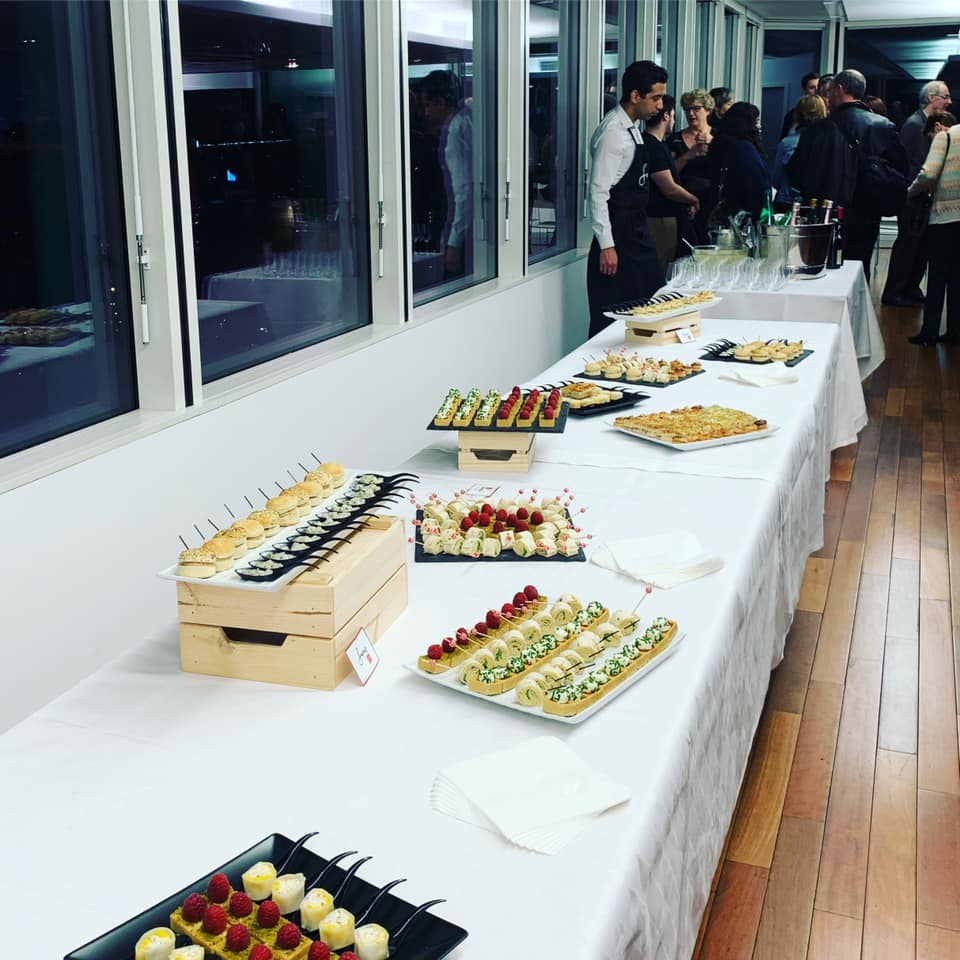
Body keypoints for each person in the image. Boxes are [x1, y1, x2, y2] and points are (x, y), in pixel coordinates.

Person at [787, 68, 908, 280]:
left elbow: (795, 173)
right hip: (867, 213)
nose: (827, 97)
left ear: (840, 89)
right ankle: (858, 301)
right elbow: (901, 171)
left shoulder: (817, 130)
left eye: (830, 91)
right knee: (859, 269)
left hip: (823, 214)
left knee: (822, 271)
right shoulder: (882, 126)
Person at [586, 60, 667, 338]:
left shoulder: (633, 128)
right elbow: (598, 193)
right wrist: (607, 246)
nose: (660, 105)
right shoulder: (612, 133)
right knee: (612, 322)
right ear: (635, 96)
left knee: (651, 310)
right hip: (618, 241)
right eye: (655, 98)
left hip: (637, 234)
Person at [882, 80, 952, 307]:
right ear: (931, 98)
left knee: (920, 247)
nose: (949, 102)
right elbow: (908, 164)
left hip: (921, 196)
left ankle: (911, 288)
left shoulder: (926, 123)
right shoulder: (914, 124)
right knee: (908, 246)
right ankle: (894, 292)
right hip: (912, 196)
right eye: (945, 97)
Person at [905, 120, 960, 345]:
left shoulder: (945, 136)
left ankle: (929, 333)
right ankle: (955, 331)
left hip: (944, 216)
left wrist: (910, 191)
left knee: (937, 276)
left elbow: (928, 174)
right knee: (957, 277)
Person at [419, 70, 473, 278]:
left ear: (440, 102)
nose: (425, 113)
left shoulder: (456, 130)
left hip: (464, 231)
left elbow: (464, 191)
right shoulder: (468, 117)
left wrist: (454, 243)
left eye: (427, 105)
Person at [642, 95, 700, 273]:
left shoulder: (658, 144)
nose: (674, 121)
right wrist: (693, 199)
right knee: (662, 267)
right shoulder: (653, 146)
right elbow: (670, 189)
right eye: (673, 116)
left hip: (664, 216)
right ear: (666, 116)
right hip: (660, 218)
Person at [707, 101, 770, 221]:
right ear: (747, 123)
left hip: (724, 212)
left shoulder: (721, 145)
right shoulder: (744, 148)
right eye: (756, 121)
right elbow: (757, 184)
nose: (759, 126)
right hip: (743, 215)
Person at [667, 89, 715, 242]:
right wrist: (689, 155)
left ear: (708, 110)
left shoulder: (719, 136)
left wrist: (714, 143)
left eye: (696, 108)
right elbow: (669, 173)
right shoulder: (675, 139)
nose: (691, 113)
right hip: (683, 200)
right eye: (687, 109)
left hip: (712, 203)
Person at [771, 94, 826, 209]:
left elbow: (776, 179)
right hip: (816, 201)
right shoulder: (828, 143)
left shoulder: (786, 143)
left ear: (798, 114)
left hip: (787, 200)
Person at [780, 72, 820, 138]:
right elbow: (783, 139)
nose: (817, 90)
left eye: (818, 87)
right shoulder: (792, 115)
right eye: (812, 87)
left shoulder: (827, 113)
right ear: (804, 90)